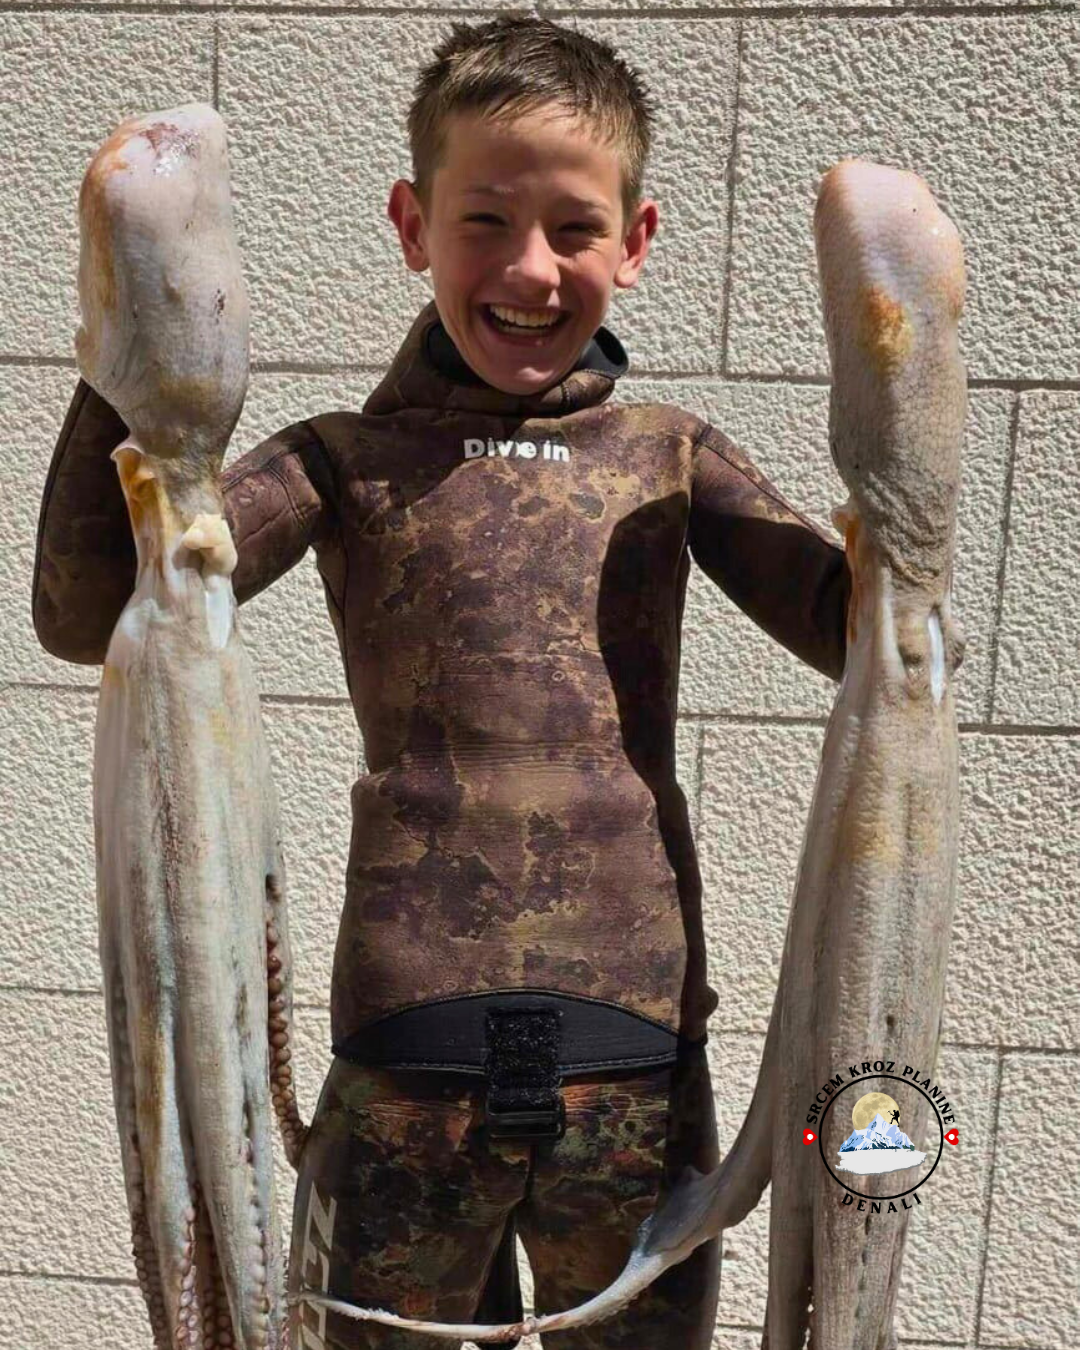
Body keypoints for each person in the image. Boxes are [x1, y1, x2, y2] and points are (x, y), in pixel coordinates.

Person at [33, 16, 851, 1349]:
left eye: (575, 228)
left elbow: (861, 634)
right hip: (409, 1055)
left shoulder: (668, 456)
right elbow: (89, 615)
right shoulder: (343, 461)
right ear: (414, 226)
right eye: (485, 220)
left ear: (636, 243)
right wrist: (122, 373)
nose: (530, 267)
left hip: (633, 1064)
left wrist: (913, 502)